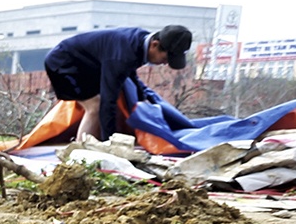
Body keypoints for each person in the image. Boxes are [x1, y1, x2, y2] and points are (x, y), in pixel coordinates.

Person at [42, 24, 193, 142]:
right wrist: (111, 142)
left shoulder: (141, 41)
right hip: (64, 64)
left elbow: (129, 73)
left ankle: (92, 143)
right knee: (96, 106)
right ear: (154, 44)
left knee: (116, 96)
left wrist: (143, 95)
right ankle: (80, 154)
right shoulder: (122, 56)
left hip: (88, 65)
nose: (165, 64)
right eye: (166, 59)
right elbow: (109, 101)